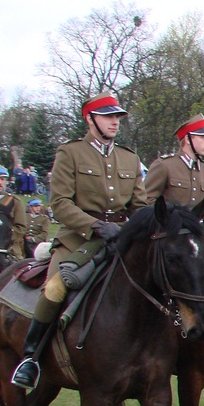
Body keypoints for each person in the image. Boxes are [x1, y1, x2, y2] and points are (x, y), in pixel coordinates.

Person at [11, 92, 148, 390]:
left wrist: (141, 227)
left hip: (121, 239)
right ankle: (31, 358)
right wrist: (96, 226)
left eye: (118, 117)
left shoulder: (129, 157)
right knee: (56, 286)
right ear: (90, 119)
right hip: (79, 239)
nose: (115, 122)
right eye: (108, 116)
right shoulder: (70, 152)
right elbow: (60, 203)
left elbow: (139, 205)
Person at [144, 113, 204, 225]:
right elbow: (147, 200)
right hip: (169, 233)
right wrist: (169, 214)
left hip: (198, 233)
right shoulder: (164, 165)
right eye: (203, 137)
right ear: (188, 139)